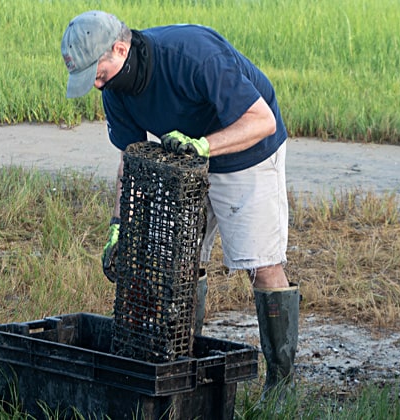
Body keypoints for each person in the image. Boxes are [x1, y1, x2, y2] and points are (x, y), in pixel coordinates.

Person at [61, 10, 299, 401]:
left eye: (97, 73)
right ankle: (184, 364)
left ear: (120, 49)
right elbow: (130, 159)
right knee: (177, 262)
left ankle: (281, 381)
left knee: (261, 264)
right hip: (186, 160)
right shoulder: (115, 92)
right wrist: (119, 224)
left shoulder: (193, 56)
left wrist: (205, 145)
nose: (96, 85)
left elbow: (262, 121)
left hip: (247, 151)